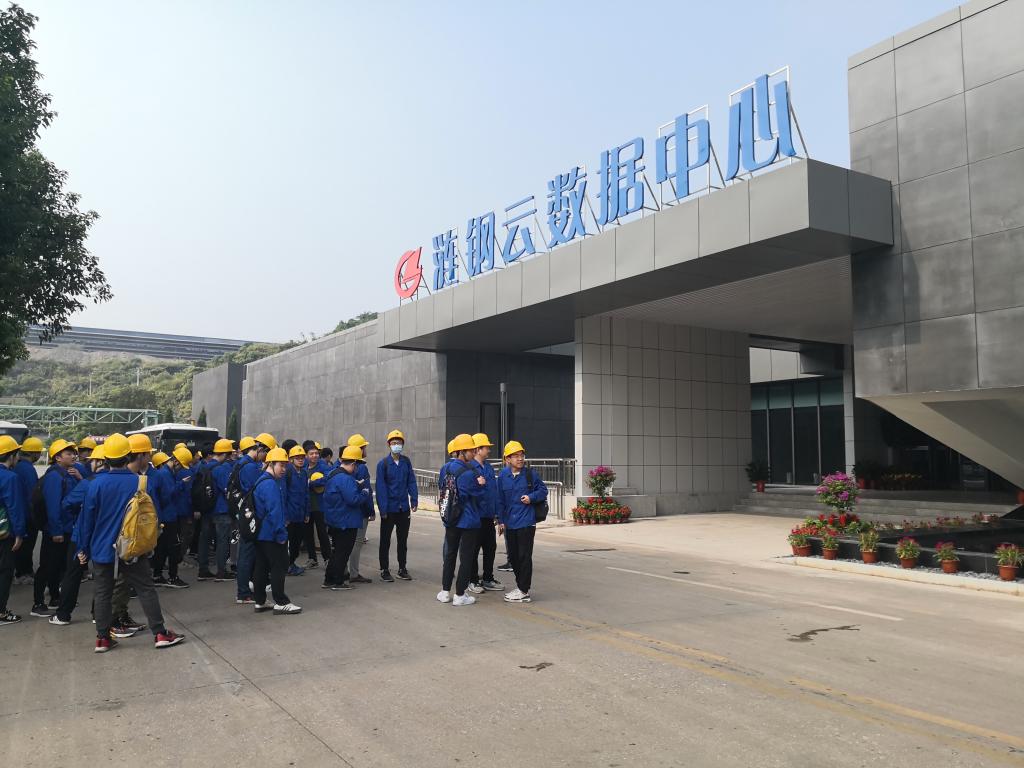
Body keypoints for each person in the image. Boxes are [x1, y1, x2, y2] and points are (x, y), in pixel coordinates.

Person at [76, 433, 184, 652]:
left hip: (102, 549)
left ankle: (102, 639)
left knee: (103, 593)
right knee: (146, 589)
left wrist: (83, 547)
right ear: (128, 456)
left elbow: (86, 520)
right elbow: (151, 518)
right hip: (133, 548)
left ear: (106, 458)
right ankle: (160, 633)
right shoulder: (140, 482)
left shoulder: (95, 485)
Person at [49, 444, 108, 625]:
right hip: (107, 536)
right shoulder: (129, 481)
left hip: (82, 535)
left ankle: (63, 615)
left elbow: (67, 503)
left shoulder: (88, 483)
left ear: (99, 462)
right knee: (104, 577)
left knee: (73, 574)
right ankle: (98, 614)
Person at [32, 438, 80, 617]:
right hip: (56, 530)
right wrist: (56, 531)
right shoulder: (55, 477)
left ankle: (54, 597)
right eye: (68, 453)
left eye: (73, 453)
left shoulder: (67, 474)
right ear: (58, 458)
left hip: (65, 528)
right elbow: (53, 506)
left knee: (57, 565)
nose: (73, 456)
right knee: (47, 566)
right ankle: (38, 603)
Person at [250, 447, 301, 614]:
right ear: (271, 464)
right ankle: (281, 602)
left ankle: (260, 601)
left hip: (260, 533)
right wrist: (281, 534)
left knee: (261, 566)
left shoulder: (262, 481)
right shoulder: (270, 484)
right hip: (271, 533)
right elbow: (275, 512)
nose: (284, 469)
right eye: (281, 465)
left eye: (285, 465)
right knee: (279, 565)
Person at [437, 434, 486, 606]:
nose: (473, 453)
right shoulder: (469, 473)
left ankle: (445, 592)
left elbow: (441, 486)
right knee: (466, 558)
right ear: (461, 452)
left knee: (450, 554)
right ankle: (459, 595)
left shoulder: (445, 468)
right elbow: (479, 494)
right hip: (468, 521)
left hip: (451, 519)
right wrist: (481, 483)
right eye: (471, 450)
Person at [497, 441, 548, 604]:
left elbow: (543, 490)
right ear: (507, 459)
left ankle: (524, 590)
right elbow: (500, 500)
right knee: (513, 557)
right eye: (516, 456)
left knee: (524, 556)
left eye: (522, 455)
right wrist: (500, 520)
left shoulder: (530, 474)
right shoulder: (503, 476)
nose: (520, 459)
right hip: (510, 523)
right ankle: (520, 587)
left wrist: (531, 497)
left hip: (526, 522)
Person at [232, 433, 275, 604]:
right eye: (266, 453)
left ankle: (247, 588)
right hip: (249, 515)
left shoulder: (243, 463)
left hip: (244, 513)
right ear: (261, 449)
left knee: (250, 553)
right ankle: (243, 593)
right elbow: (255, 490)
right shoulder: (249, 467)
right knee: (246, 554)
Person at [322, 446, 370, 590]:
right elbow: (353, 499)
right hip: (346, 521)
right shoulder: (346, 479)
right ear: (353, 463)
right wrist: (364, 493)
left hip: (335, 519)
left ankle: (329, 580)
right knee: (342, 553)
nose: (357, 469)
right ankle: (338, 581)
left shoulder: (333, 474)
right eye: (357, 465)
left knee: (336, 552)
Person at [375, 429, 417, 582]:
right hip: (389, 509)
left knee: (402, 540)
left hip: (403, 508)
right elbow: (380, 487)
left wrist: (414, 500)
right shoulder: (383, 464)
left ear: (402, 444)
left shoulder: (406, 462)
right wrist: (383, 509)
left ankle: (402, 568)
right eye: (393, 443)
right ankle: (384, 569)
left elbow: (411, 481)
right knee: (385, 540)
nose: (396, 445)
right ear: (389, 445)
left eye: (399, 443)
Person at [197, 438, 235, 581]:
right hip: (221, 509)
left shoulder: (203, 466)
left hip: (206, 508)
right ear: (225, 454)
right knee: (222, 541)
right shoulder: (221, 468)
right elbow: (227, 490)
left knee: (205, 539)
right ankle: (221, 571)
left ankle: (203, 570)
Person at [469, 433, 502, 593]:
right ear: (477, 449)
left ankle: (488, 578)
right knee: (474, 549)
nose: (489, 450)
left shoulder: (488, 467)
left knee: (490, 548)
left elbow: (494, 492)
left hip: (488, 516)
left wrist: (497, 515)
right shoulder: (469, 467)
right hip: (475, 516)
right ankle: (473, 580)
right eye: (486, 447)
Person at [150, 451, 188, 588]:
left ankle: (157, 575)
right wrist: (180, 484)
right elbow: (166, 495)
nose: (181, 469)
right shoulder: (165, 474)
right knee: (173, 548)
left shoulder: (162, 473)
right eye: (181, 466)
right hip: (168, 517)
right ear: (176, 462)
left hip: (164, 516)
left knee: (161, 548)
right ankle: (173, 577)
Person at [0, 434, 27, 625]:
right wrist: (19, 533)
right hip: (4, 533)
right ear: (12, 455)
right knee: (4, 571)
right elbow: (15, 508)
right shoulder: (10, 477)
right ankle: (1, 611)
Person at [12, 436, 42, 584]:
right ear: (34, 453)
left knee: (21, 546)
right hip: (28, 515)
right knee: (26, 546)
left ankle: (22, 571)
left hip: (19, 513)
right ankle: (24, 573)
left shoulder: (18, 466)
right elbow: (33, 495)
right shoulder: (28, 469)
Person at [346, 434, 374, 584]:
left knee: (347, 542)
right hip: (361, 510)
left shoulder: (344, 465)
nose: (366, 450)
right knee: (357, 542)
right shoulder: (361, 467)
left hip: (349, 510)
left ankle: (345, 571)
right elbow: (366, 491)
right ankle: (354, 573)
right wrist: (371, 511)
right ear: (360, 449)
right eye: (364, 447)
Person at [302, 440, 331, 569]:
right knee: (308, 534)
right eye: (311, 453)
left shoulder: (323, 466)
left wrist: (311, 483)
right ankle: (312, 559)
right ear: (306, 456)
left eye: (316, 453)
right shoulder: (304, 468)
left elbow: (327, 478)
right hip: (307, 507)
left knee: (322, 533)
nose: (314, 455)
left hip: (320, 506)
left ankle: (327, 558)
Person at [284, 445, 308, 576]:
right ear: (291, 459)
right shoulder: (287, 472)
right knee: (289, 542)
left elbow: (306, 494)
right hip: (290, 515)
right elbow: (284, 495)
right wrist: (285, 516)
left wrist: (307, 512)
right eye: (297, 458)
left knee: (297, 542)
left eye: (302, 457)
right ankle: (287, 565)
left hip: (300, 514)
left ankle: (291, 563)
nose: (300, 460)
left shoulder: (303, 473)